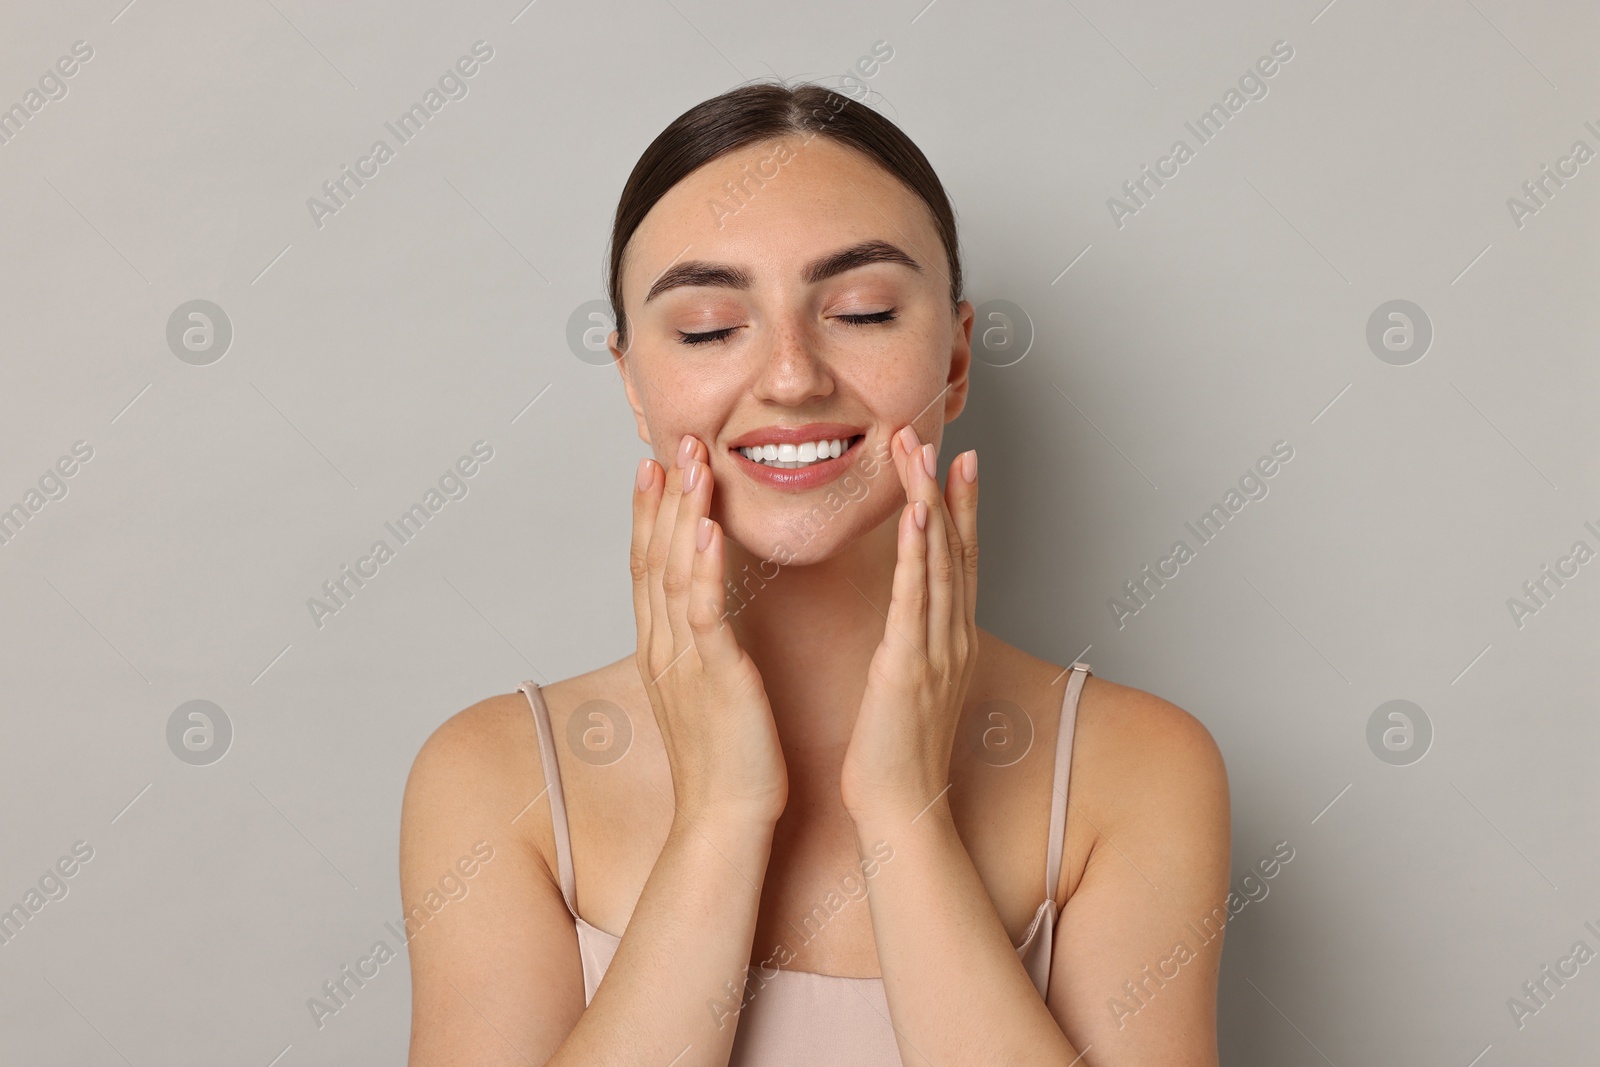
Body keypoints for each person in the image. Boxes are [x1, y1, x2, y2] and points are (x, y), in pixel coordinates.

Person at [400, 80, 1230, 1066]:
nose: (791, 376)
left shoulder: (1135, 770)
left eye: (861, 310)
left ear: (957, 357)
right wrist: (720, 818)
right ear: (630, 380)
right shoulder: (492, 779)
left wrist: (905, 815)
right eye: (709, 326)